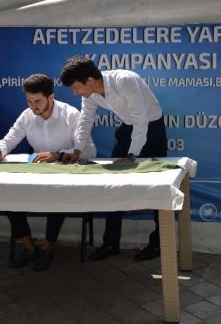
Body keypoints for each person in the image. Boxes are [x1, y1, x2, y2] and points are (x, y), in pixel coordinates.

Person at [59, 55, 167, 261]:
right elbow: (85, 120)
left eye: (76, 88)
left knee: (158, 186)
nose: (75, 92)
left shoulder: (125, 80)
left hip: (152, 128)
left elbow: (141, 120)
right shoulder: (89, 93)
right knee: (112, 185)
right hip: (128, 128)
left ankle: (158, 243)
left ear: (90, 80)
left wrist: (131, 155)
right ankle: (110, 243)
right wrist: (77, 150)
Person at [0, 73, 96, 271]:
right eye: (29, 101)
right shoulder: (27, 115)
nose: (33, 107)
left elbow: (90, 150)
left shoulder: (70, 114)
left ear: (51, 97)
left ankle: (47, 247)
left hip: (65, 177)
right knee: (8, 194)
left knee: (57, 194)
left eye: (38, 101)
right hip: (37, 175)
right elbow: (8, 140)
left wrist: (58, 154)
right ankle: (29, 246)